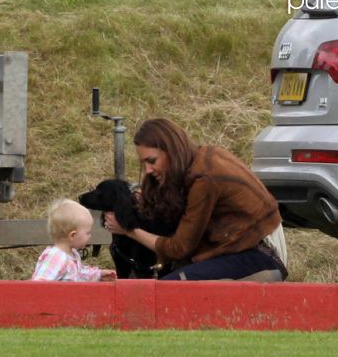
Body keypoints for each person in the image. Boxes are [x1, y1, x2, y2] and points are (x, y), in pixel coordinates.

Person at [103, 118, 288, 281]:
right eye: (144, 163)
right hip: (240, 248)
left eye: (152, 161)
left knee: (166, 291)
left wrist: (129, 231)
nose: (148, 170)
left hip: (261, 256)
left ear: (172, 151)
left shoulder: (204, 179)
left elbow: (179, 247)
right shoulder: (203, 158)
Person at [32, 198, 116, 282]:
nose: (90, 236)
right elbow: (40, 285)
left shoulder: (72, 254)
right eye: (87, 233)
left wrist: (99, 275)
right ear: (73, 235)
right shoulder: (56, 257)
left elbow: (80, 274)